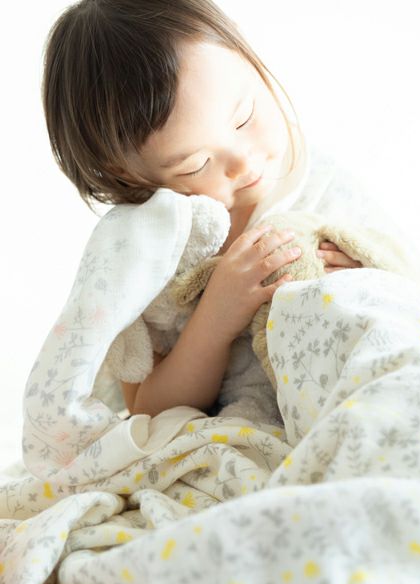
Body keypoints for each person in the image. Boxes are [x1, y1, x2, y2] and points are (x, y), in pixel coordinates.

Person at [42, 0, 366, 419]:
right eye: (196, 164)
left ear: (249, 58)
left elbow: (417, 294)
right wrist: (216, 316)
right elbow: (147, 411)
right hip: (246, 423)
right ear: (127, 175)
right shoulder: (146, 249)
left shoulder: (316, 179)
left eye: (244, 117)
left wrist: (366, 276)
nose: (243, 161)